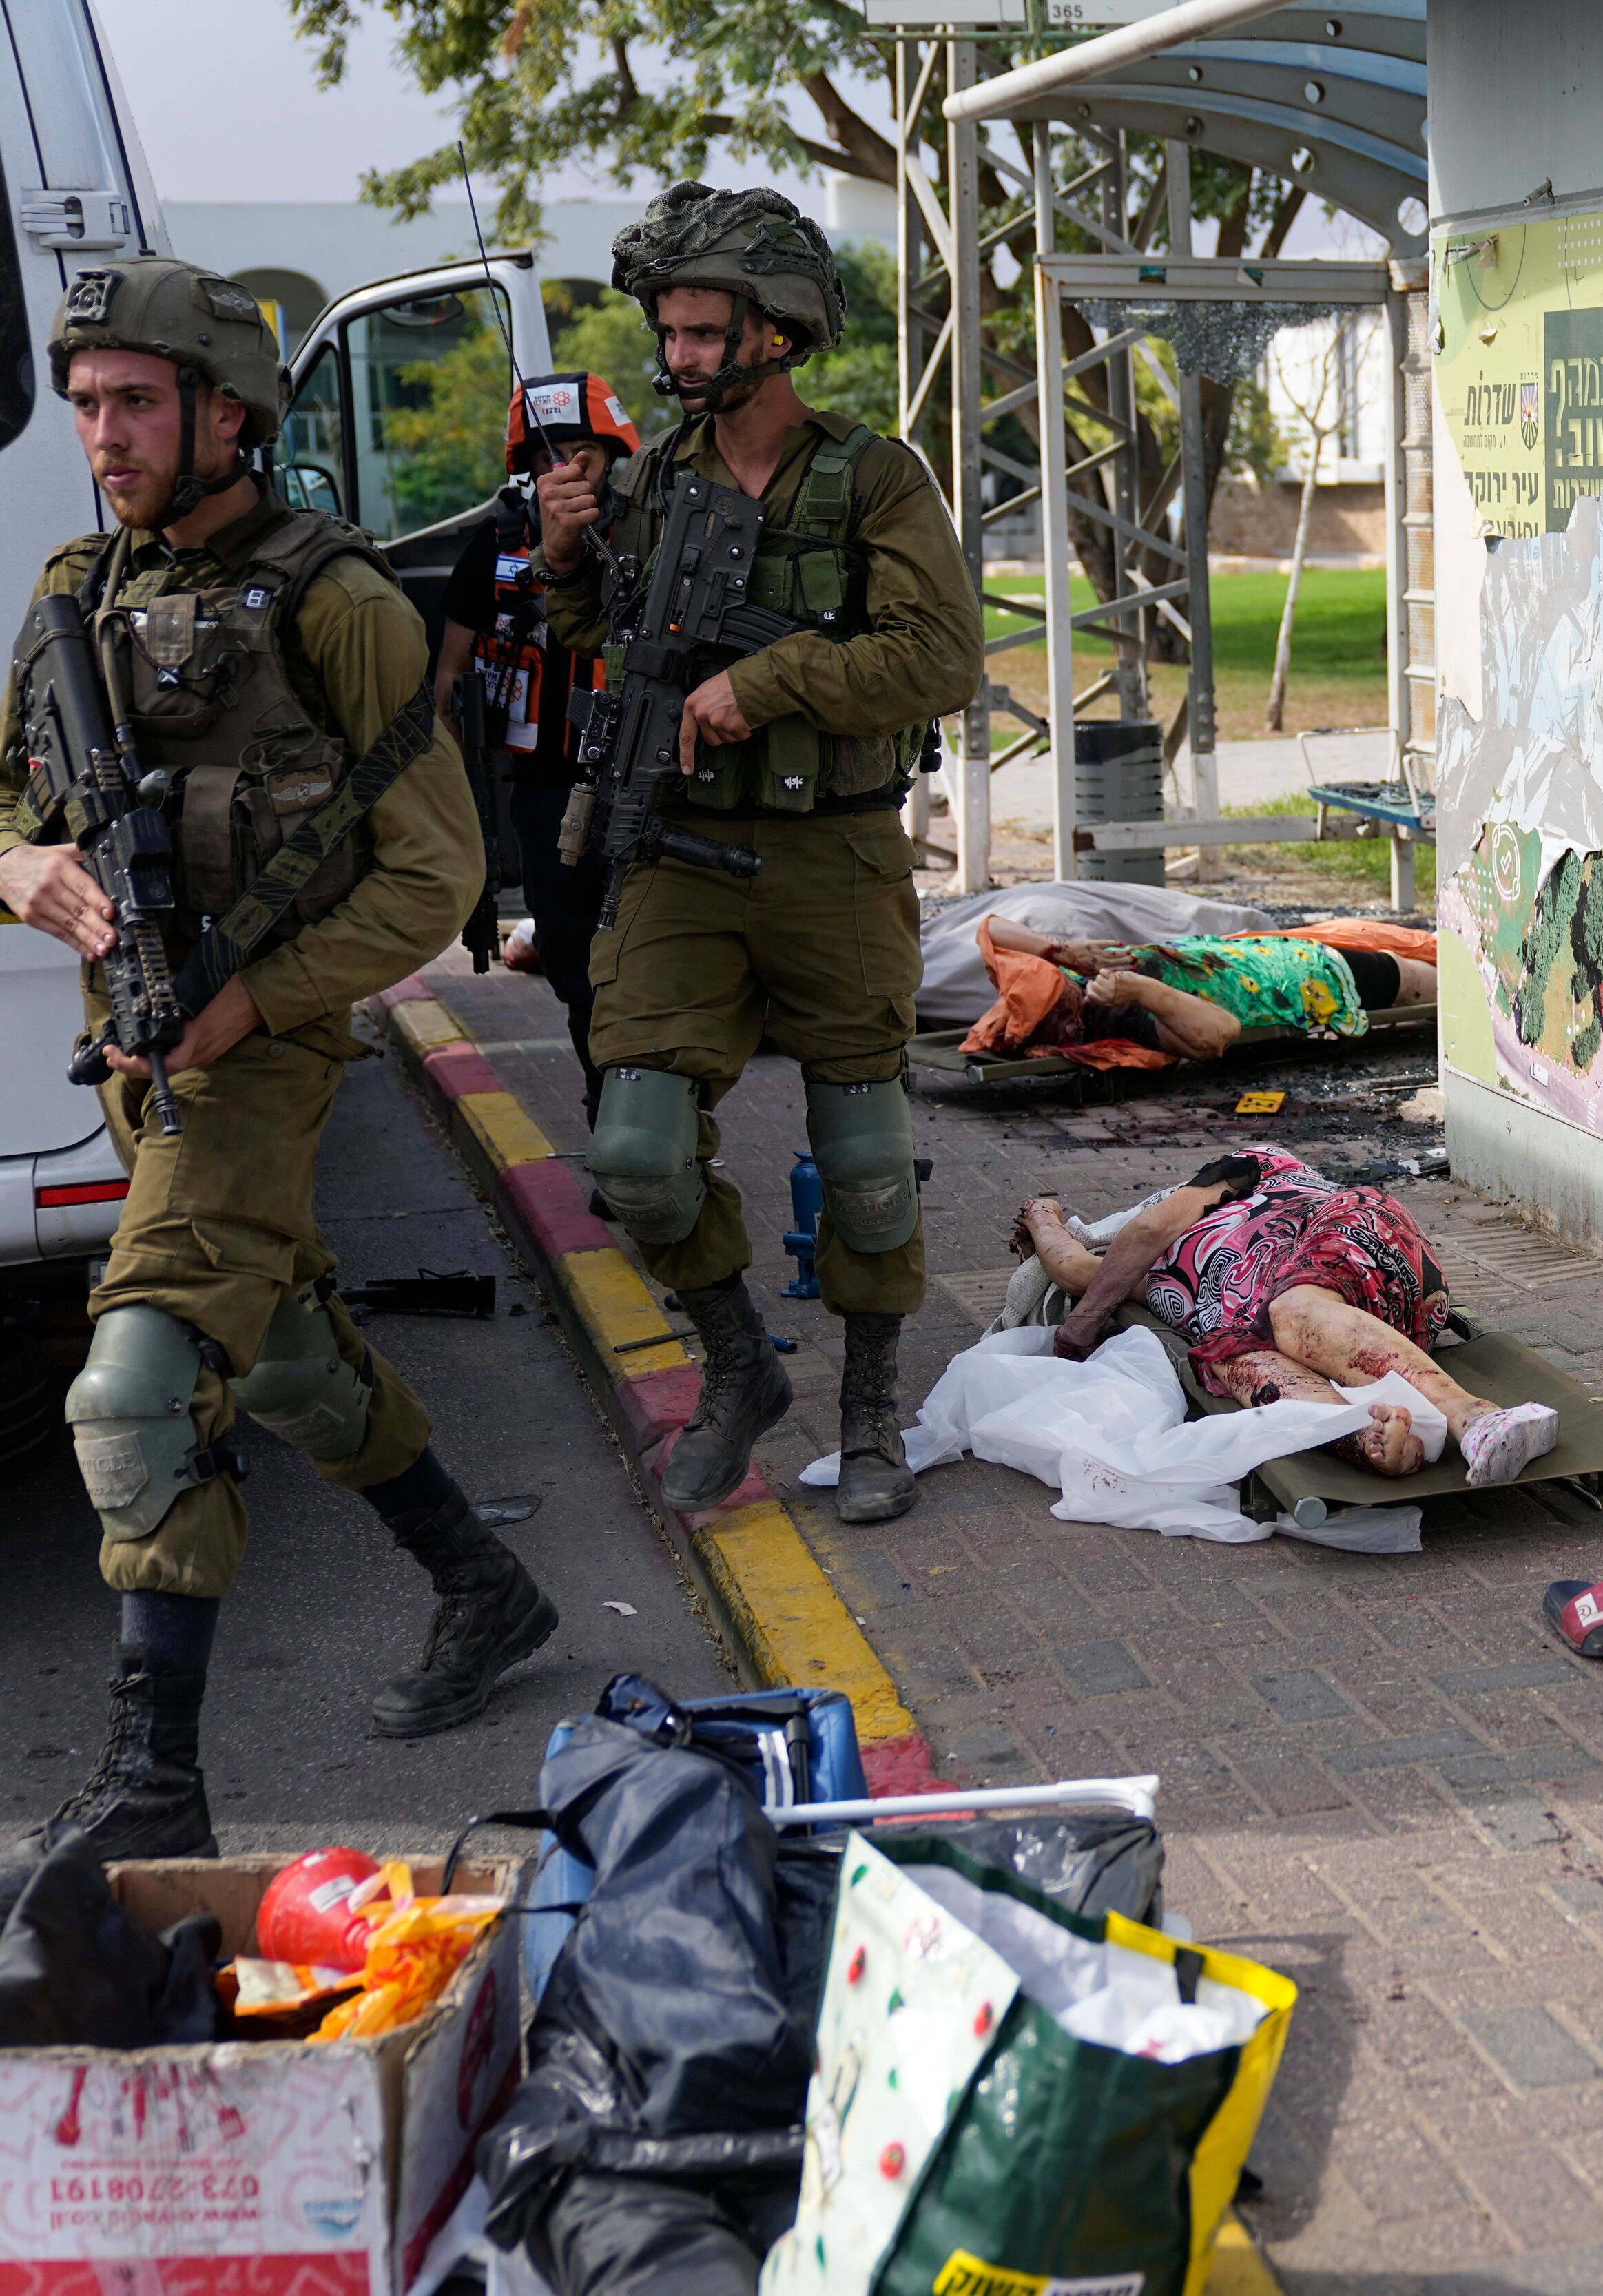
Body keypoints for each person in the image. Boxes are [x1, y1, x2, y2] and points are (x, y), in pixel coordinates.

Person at [0, 259, 551, 1859]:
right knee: (292, 1353)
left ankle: (154, 1780)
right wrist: (20, 868)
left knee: (134, 1392)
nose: (102, 431)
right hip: (138, 1049)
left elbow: (437, 874)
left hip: (259, 1050)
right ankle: (484, 1583)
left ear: (225, 413)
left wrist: (260, 999)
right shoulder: (68, 597)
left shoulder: (338, 601)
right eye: (88, 401)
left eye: (136, 402)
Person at [537, 185, 975, 1529]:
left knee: (864, 1156)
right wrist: (565, 556)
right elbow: (591, 632)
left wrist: (769, 680)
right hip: (676, 853)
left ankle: (870, 1406)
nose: (674, 357)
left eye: (699, 331)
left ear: (775, 333)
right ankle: (739, 1365)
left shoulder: (874, 476)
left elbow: (943, 656)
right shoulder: (657, 484)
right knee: (634, 1154)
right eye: (665, 332)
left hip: (834, 856)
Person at [1009, 1148, 1563, 1484]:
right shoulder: (1133, 1273)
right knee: (1235, 1366)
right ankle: (1377, 1440)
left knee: (1294, 1309)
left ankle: (1477, 1419)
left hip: (1351, 1238)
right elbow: (1073, 1265)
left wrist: (1076, 1335)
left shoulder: (1250, 1171)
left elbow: (1150, 1228)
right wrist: (1040, 1212)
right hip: (1267, 1324)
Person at [433, 372, 639, 1125]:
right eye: (555, 456)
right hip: (546, 789)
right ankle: (609, 1107)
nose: (572, 470)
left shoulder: (648, 534)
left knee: (648, 965)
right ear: (527, 463)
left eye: (587, 454)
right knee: (573, 959)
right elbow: (447, 683)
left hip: (647, 781)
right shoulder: (495, 545)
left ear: (613, 455)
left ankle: (643, 1126)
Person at [978, 914, 1434, 1062]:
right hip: (1308, 980)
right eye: (1057, 1026)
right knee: (1431, 983)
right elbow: (1220, 1034)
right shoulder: (1118, 1013)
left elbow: (989, 928)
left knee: (1431, 956)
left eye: (1065, 1006)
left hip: (1261, 952)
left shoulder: (1062, 976)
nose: (1071, 1023)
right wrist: (1139, 990)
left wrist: (1057, 950)